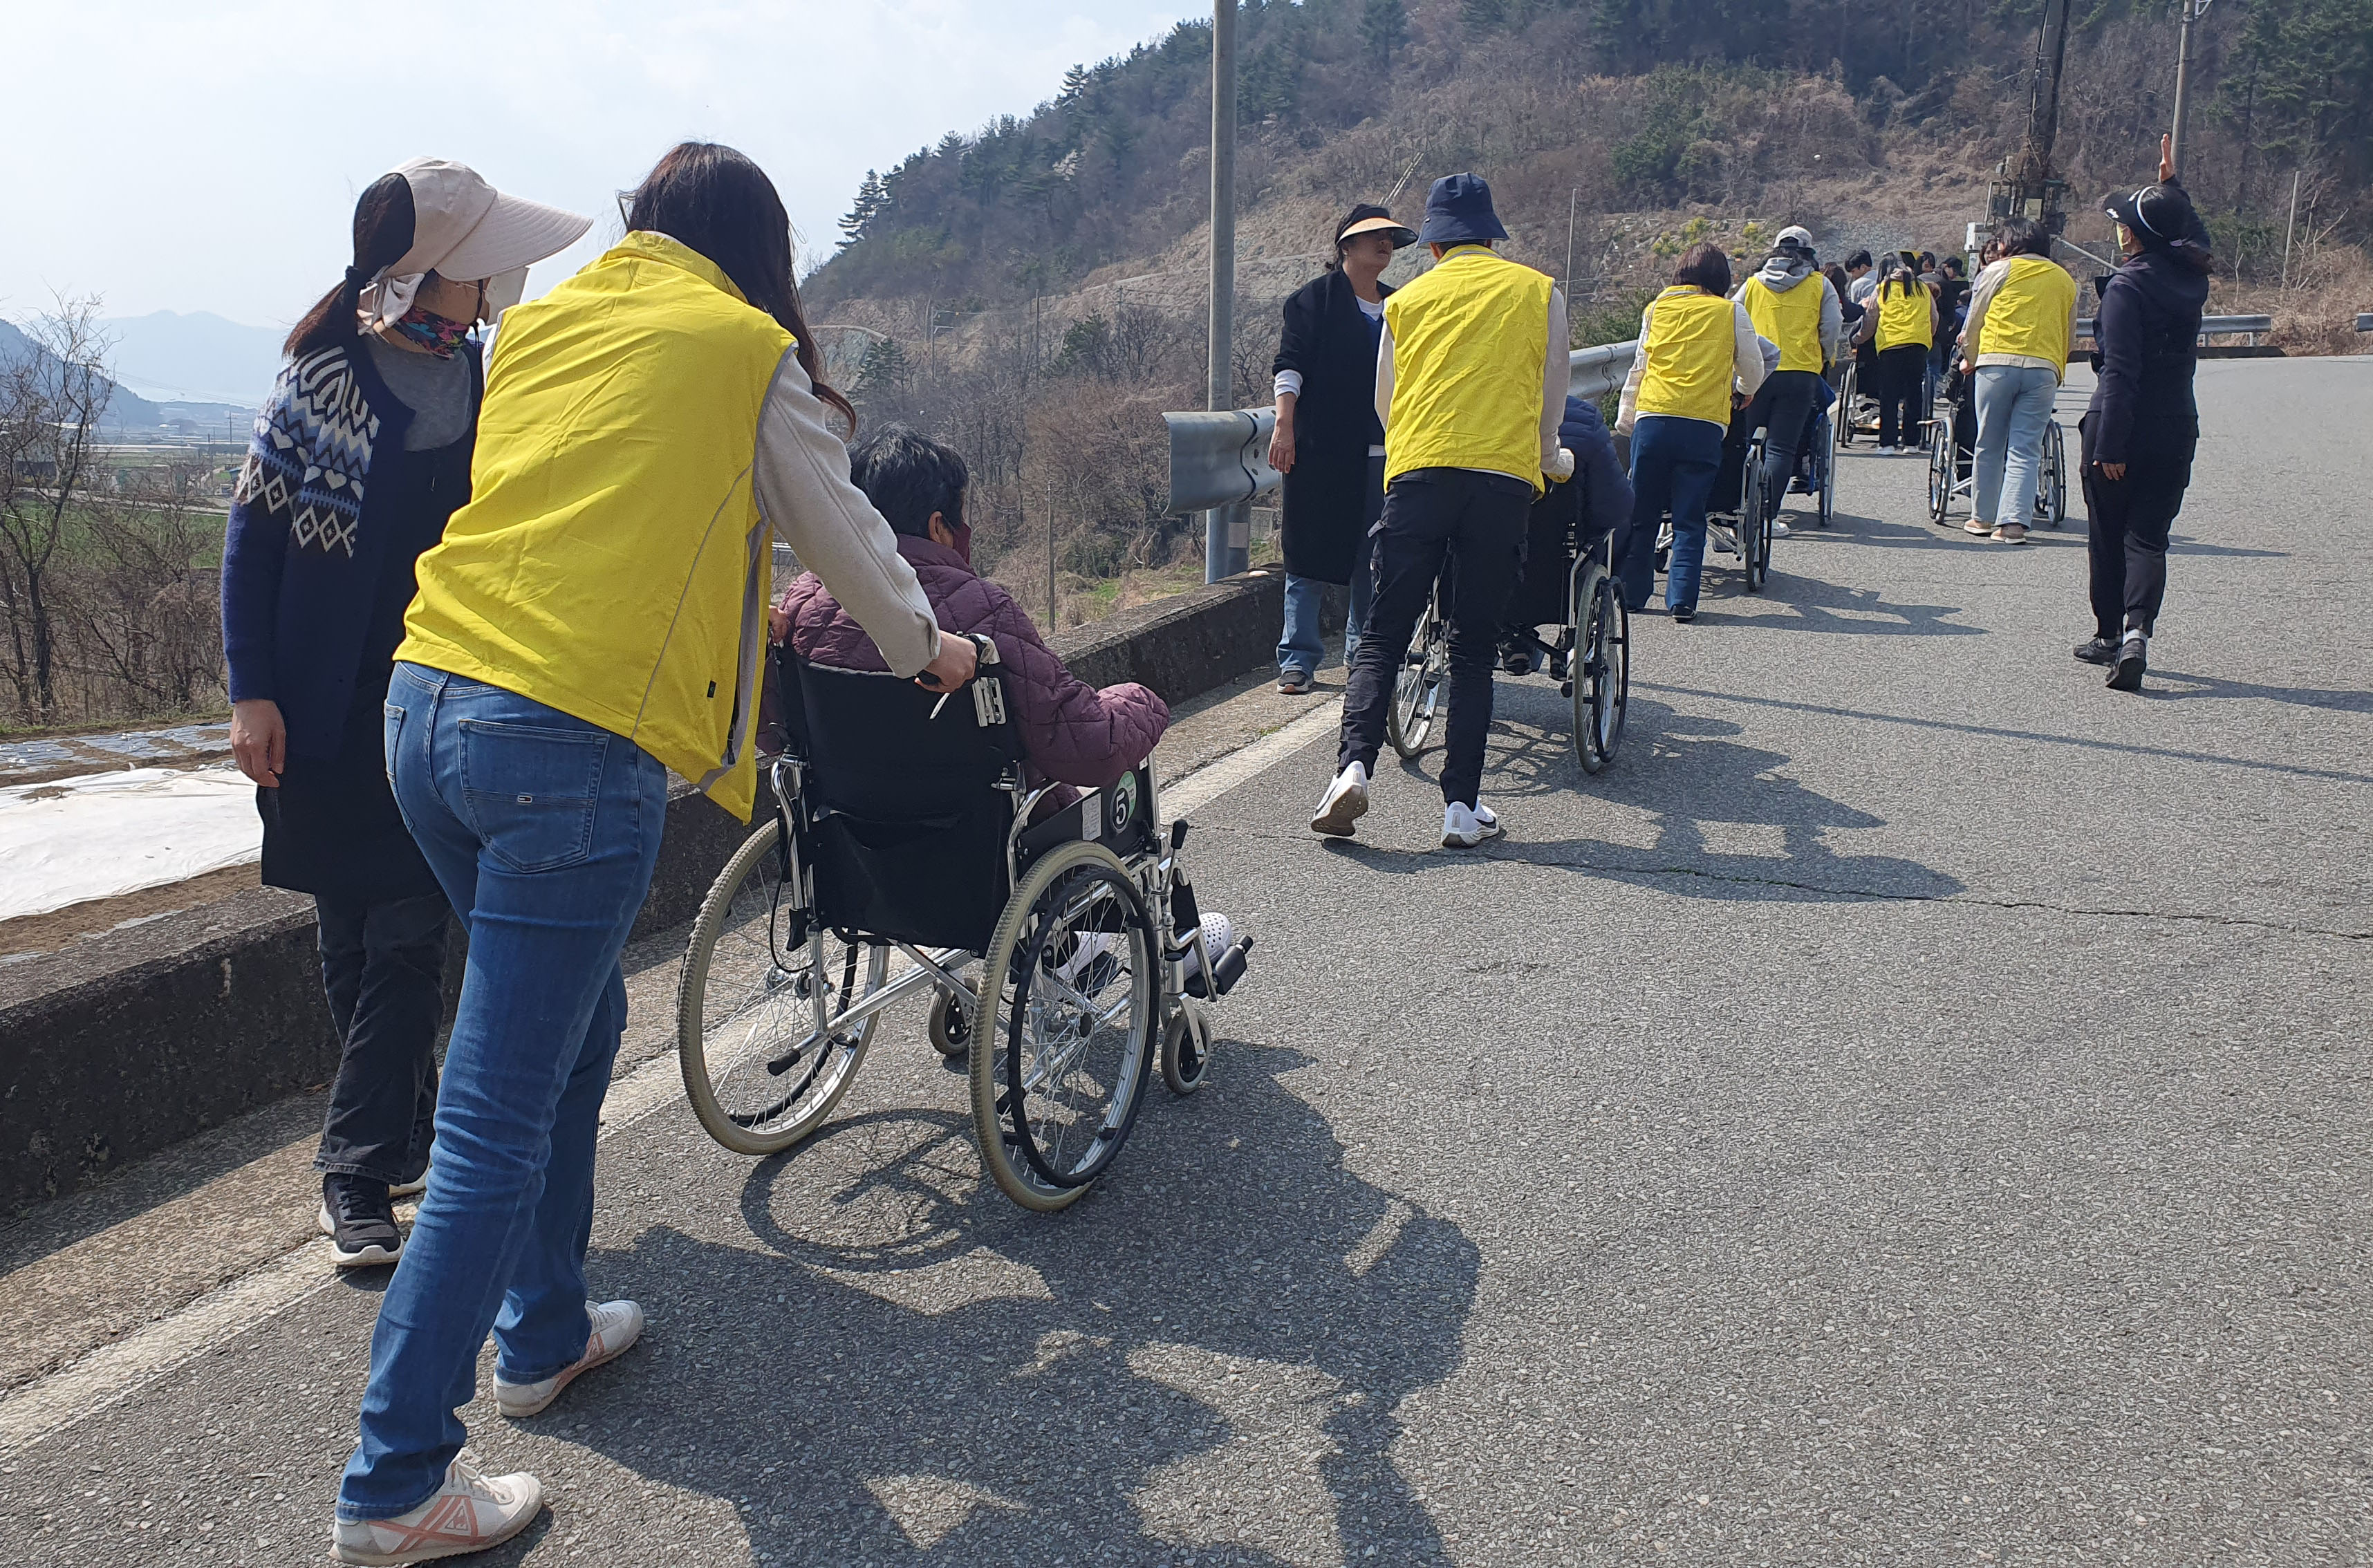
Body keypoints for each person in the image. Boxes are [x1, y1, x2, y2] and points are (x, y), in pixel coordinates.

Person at [329, 142, 976, 1565]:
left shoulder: (547, 318)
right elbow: (853, 545)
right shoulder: (745, 348)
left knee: (574, 1029)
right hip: (571, 744)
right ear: (763, 252)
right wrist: (936, 648)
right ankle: (395, 1484)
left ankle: (547, 1330)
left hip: (426, 707)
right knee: (494, 1117)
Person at [222, 160, 590, 1274]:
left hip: (433, 705)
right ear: (436, 275)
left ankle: (356, 1168)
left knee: (404, 940)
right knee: (353, 937)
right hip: (320, 711)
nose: (499, 282)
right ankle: (392, 1137)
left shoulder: (479, 377)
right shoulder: (326, 380)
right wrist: (252, 692)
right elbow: (252, 548)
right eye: (483, 262)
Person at [1309, 173, 1573, 850]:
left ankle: (1352, 770)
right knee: (1474, 648)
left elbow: (1384, 402)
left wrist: (1421, 453)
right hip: (1501, 482)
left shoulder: (1410, 301)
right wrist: (1549, 458)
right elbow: (1551, 398)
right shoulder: (1537, 292)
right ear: (1491, 238)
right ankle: (1461, 809)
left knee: (1384, 634)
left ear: (1432, 247)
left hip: (1420, 475)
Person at [778, 426, 1170, 792]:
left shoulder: (804, 600)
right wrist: (1142, 700)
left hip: (846, 832)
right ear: (938, 527)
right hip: (982, 835)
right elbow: (1089, 750)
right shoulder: (984, 610)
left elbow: (776, 729)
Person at [1269, 204, 1417, 693]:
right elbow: (1290, 366)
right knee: (1306, 553)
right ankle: (1298, 658)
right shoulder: (1311, 302)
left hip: (1385, 452)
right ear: (1346, 246)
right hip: (1320, 450)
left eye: (1391, 238)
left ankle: (1362, 653)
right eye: (1374, 236)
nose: (1386, 245)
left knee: (1372, 557)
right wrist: (1284, 425)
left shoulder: (1402, 307)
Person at [2077, 166, 2208, 691]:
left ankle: (2109, 633)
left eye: (2126, 223)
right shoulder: (2191, 278)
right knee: (2149, 538)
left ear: (2135, 235)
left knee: (2110, 537)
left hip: (2120, 424)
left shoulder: (2126, 289)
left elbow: (2121, 372)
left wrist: (2109, 443)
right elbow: (2190, 235)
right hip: (2177, 424)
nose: (2120, 231)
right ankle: (2138, 633)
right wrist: (2173, 191)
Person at [1614, 242, 1766, 622]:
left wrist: (1628, 421)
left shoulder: (1656, 309)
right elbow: (1753, 366)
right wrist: (1743, 393)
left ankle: (1633, 594)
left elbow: (1639, 367)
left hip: (1653, 420)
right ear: (1722, 278)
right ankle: (1682, 599)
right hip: (1702, 425)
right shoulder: (1731, 312)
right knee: (1690, 515)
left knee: (1643, 511)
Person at [1957, 218, 2078, 544]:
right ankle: (2013, 524)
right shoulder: (2065, 279)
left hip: (1997, 362)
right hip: (2044, 369)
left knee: (1989, 442)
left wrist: (1971, 356)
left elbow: (1973, 322)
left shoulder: (1997, 271)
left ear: (2010, 242)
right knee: (2025, 448)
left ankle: (1982, 517)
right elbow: (2069, 334)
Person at [1500, 393, 1634, 675]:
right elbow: (1612, 509)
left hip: (1483, 563)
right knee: (1611, 531)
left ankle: (1513, 637)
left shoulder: (1463, 416)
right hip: (1557, 573)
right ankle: (1576, 635)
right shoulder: (1583, 420)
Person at [1731, 225, 1841, 537]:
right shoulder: (1821, 285)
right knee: (1782, 448)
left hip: (1758, 371)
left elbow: (1731, 314)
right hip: (1801, 373)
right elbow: (1832, 327)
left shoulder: (1752, 284)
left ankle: (1740, 510)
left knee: (1750, 444)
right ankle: (1769, 517)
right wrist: (1825, 357)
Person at [1858, 251, 1936, 452]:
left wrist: (1859, 339)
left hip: (1890, 346)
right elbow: (1933, 318)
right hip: (1918, 345)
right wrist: (1927, 337)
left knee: (1889, 395)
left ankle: (1888, 443)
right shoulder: (1922, 289)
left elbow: (1871, 319)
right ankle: (1911, 442)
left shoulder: (1882, 289)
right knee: (1913, 393)